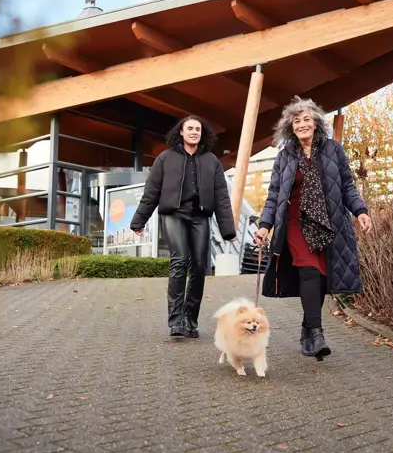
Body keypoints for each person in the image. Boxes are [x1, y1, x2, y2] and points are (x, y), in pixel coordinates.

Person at [254, 97, 371, 360]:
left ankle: (307, 328)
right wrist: (265, 226)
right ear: (290, 127)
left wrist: (360, 211)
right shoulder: (284, 156)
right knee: (308, 270)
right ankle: (317, 333)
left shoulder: (333, 150)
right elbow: (274, 195)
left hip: (329, 224)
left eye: (307, 119)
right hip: (295, 222)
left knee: (319, 277)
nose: (302, 124)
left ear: (316, 123)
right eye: (297, 121)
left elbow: (347, 186)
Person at [130, 116, 236, 338]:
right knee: (179, 261)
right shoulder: (165, 159)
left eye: (198, 129)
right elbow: (152, 192)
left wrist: (228, 229)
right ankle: (176, 320)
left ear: (202, 133)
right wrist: (139, 221)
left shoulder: (211, 161)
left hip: (200, 217)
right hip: (174, 215)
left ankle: (190, 320)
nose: (194, 132)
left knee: (199, 266)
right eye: (190, 128)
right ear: (181, 131)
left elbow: (222, 197)